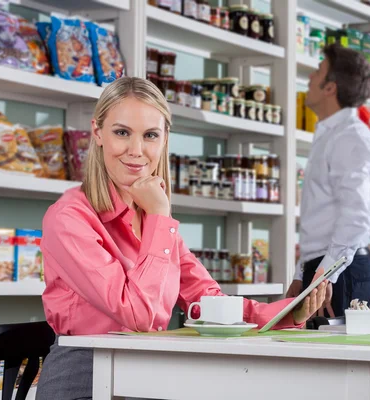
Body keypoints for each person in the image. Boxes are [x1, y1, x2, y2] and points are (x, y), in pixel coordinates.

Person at [36, 77, 327, 400]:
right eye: (122, 133)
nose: (136, 150)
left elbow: (209, 300)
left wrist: (290, 313)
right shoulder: (69, 219)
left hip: (147, 372)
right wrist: (161, 215)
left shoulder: (150, 217)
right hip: (84, 378)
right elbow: (138, 316)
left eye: (150, 135)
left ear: (164, 140)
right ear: (97, 133)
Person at [286, 44, 370, 319]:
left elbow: (357, 215)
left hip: (342, 273)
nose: (310, 78)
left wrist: (326, 274)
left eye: (318, 71)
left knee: (338, 358)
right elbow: (324, 220)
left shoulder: (350, 138)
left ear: (330, 87)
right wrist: (302, 272)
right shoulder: (331, 135)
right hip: (326, 268)